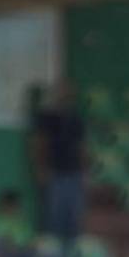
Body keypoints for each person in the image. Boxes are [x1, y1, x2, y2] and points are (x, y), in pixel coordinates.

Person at [32, 80, 87, 242]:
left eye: (69, 93)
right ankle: (53, 252)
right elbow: (39, 143)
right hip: (55, 172)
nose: (66, 96)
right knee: (53, 218)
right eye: (62, 92)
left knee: (74, 219)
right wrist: (41, 169)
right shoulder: (46, 116)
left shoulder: (76, 118)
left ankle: (72, 255)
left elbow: (81, 147)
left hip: (74, 173)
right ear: (56, 94)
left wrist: (84, 173)